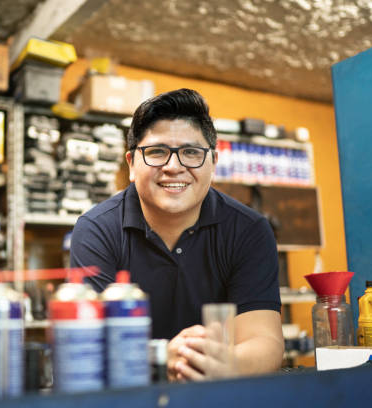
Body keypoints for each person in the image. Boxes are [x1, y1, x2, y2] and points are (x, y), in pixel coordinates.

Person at [70, 89, 284, 381]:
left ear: (213, 162)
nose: (174, 167)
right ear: (131, 164)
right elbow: (86, 346)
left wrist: (224, 363)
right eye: (157, 152)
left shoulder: (248, 231)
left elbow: (266, 343)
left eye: (191, 152)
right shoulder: (96, 229)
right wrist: (159, 357)